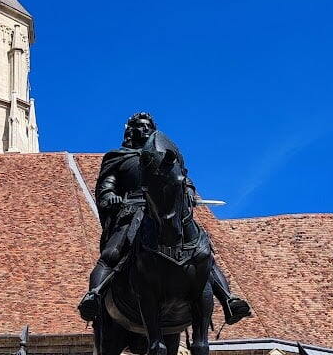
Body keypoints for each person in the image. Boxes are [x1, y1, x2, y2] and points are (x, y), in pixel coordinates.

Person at [77, 112, 250, 326]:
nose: (145, 130)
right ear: (130, 131)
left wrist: (187, 192)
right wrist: (110, 196)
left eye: (149, 126)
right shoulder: (118, 158)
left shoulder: (163, 157)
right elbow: (106, 187)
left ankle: (228, 299)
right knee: (111, 254)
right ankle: (94, 295)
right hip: (132, 212)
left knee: (203, 251)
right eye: (140, 126)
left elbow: (184, 180)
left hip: (165, 211)